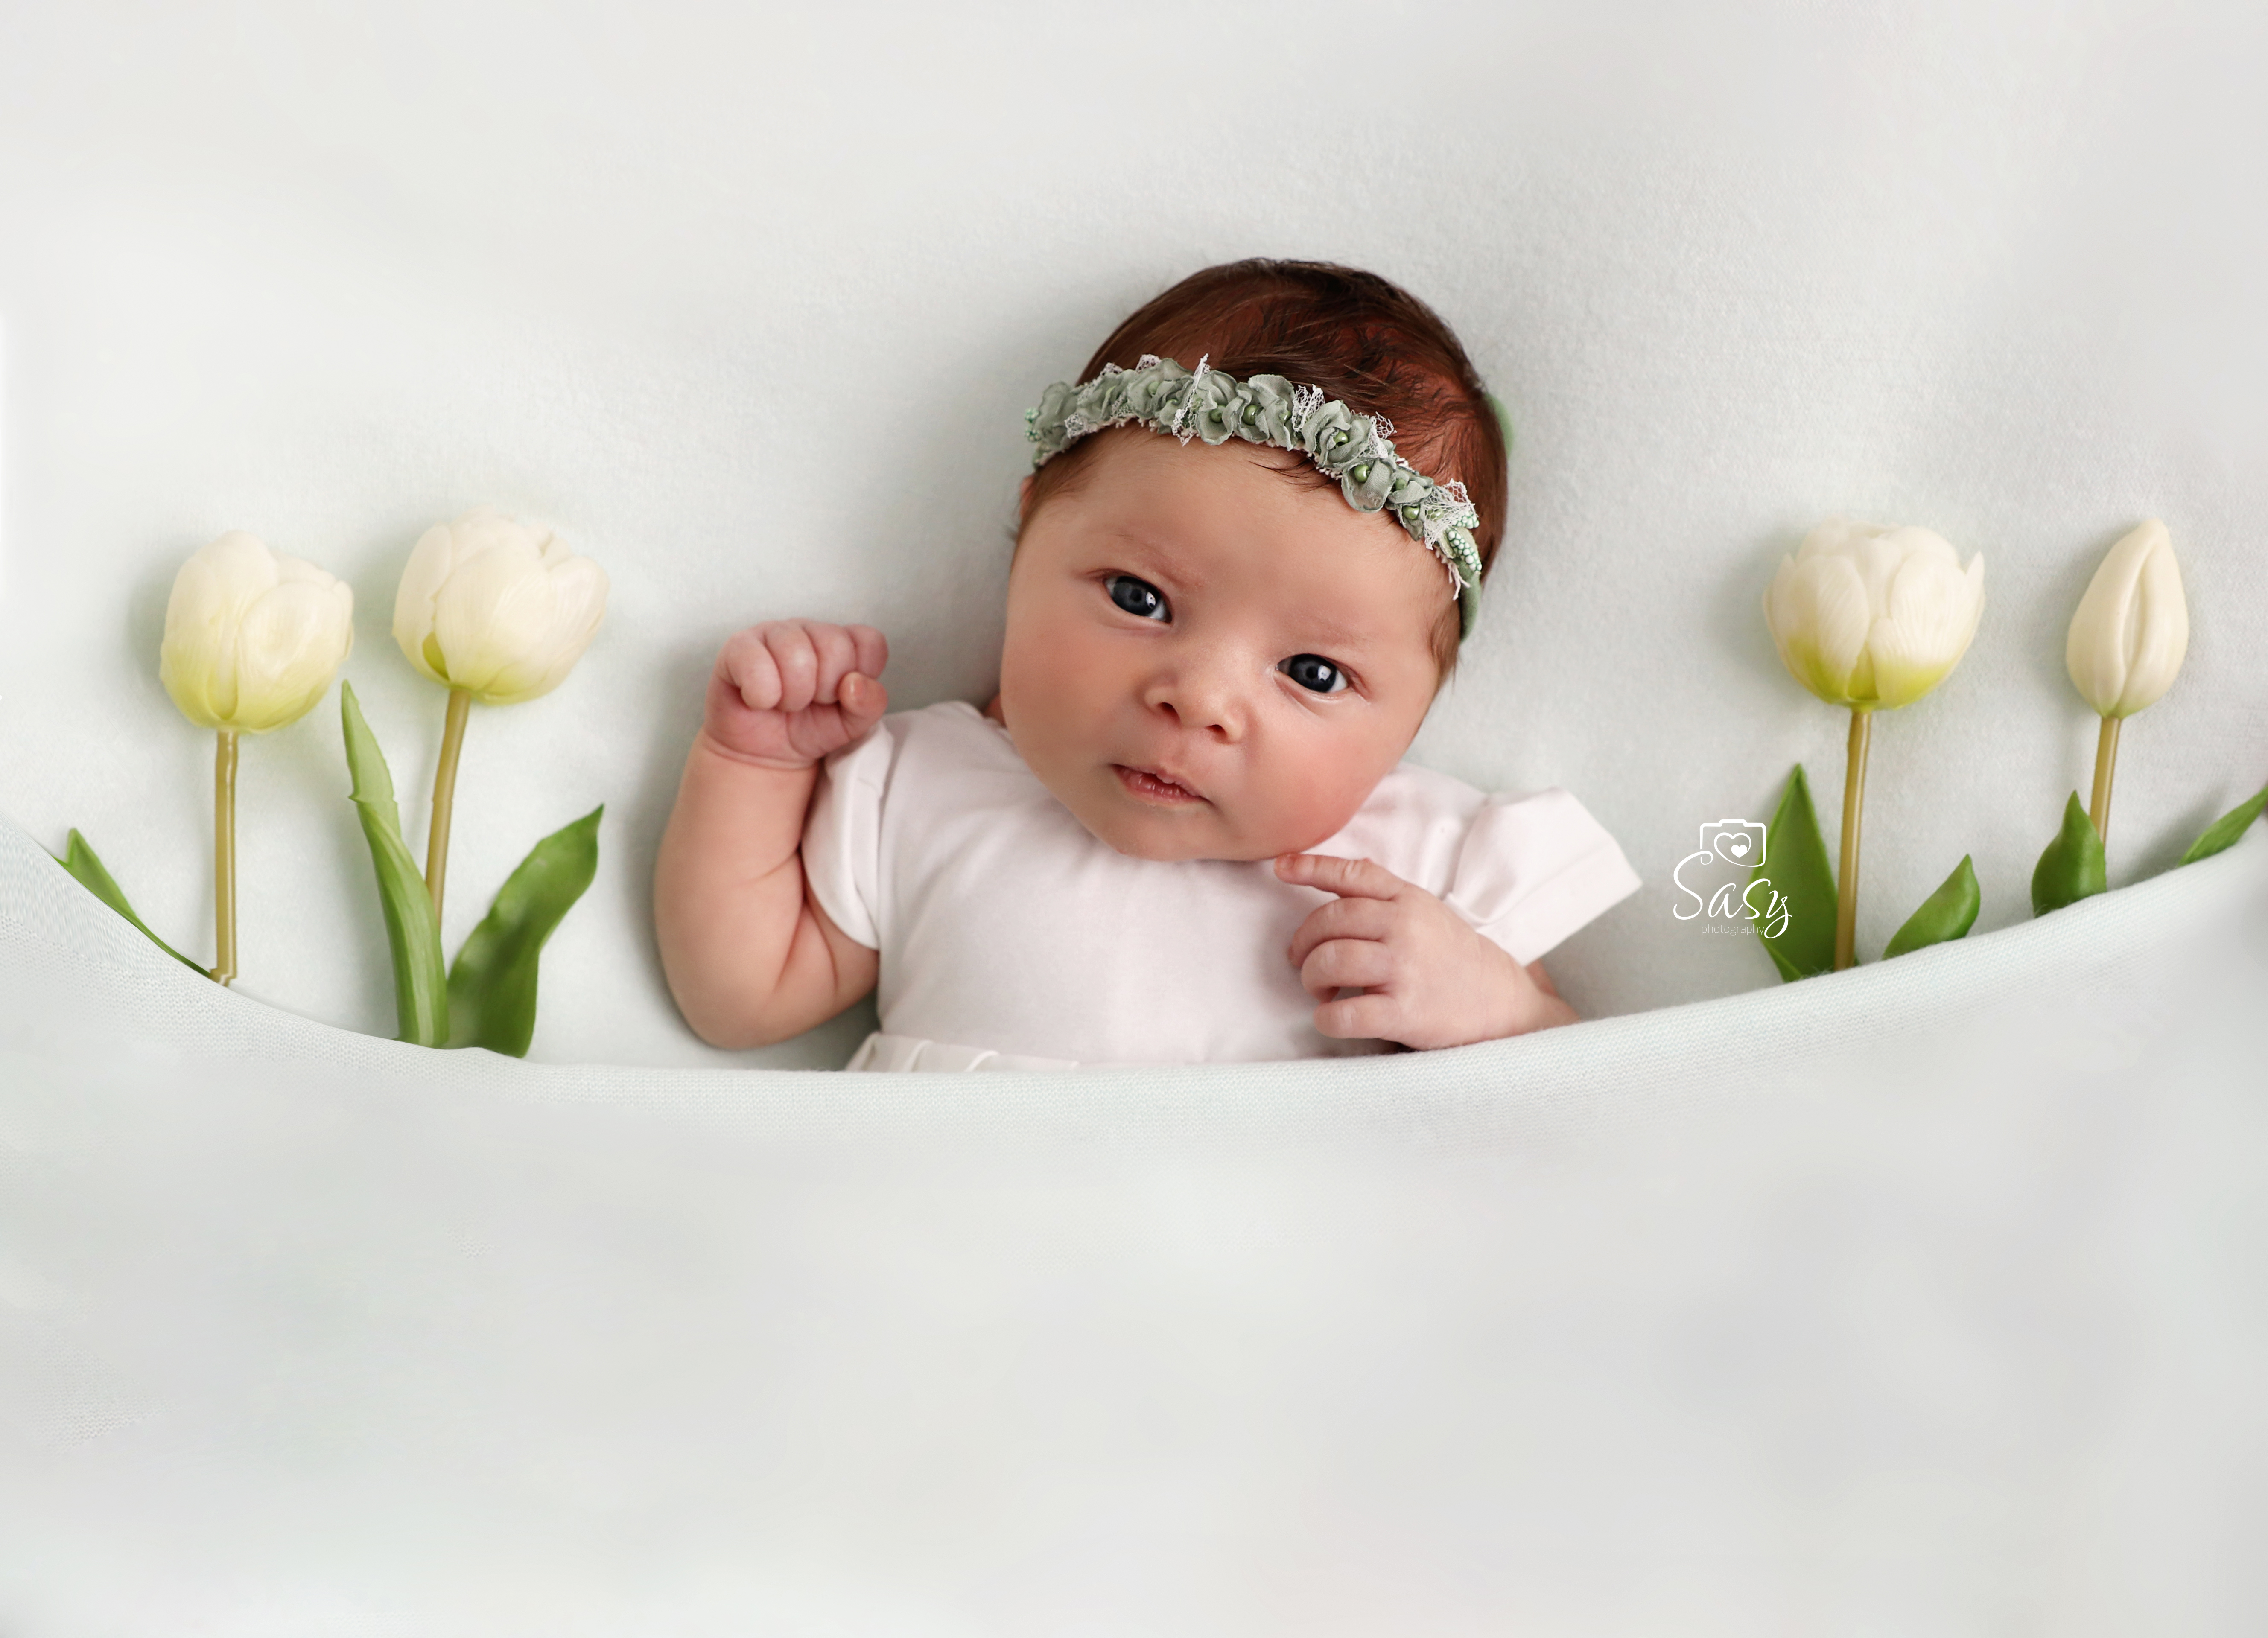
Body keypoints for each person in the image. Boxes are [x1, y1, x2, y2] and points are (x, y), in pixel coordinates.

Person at [654, 260, 1639, 1069]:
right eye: (1139, 599)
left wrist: (1502, 1014)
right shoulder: (917, 783)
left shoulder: (1415, 873)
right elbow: (739, 998)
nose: (1198, 700)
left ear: (1416, 713)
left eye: (1311, 671)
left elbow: (1587, 1099)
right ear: (1028, 532)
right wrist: (754, 768)